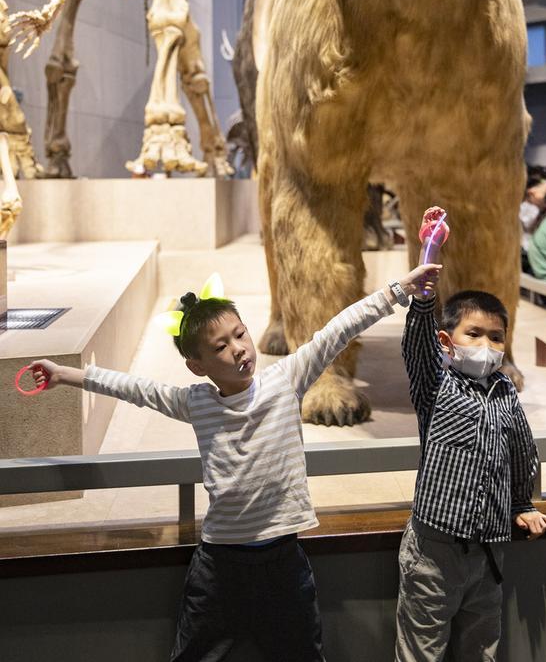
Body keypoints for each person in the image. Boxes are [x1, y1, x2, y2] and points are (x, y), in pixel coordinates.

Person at [27, 262, 440, 662]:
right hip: (219, 565)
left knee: (301, 652)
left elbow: (338, 329)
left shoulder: (286, 381)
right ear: (197, 366)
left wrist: (399, 289)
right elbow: (136, 388)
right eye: (220, 346)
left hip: (283, 558)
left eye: (239, 334)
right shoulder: (195, 402)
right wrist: (66, 374)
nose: (238, 348)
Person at [395, 206, 546, 662]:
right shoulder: (437, 386)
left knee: (481, 650)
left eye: (496, 337)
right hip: (433, 554)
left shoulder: (504, 392)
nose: (486, 345)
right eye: (474, 333)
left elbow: (520, 450)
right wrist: (424, 293)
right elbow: (416, 347)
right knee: (420, 653)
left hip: (489, 554)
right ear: (448, 341)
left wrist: (523, 504)